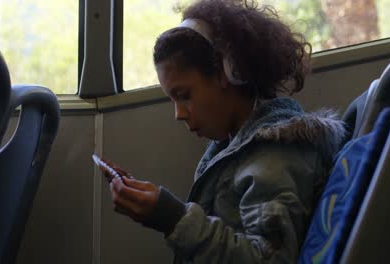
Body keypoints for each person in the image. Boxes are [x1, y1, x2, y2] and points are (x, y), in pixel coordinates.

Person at [101, 0, 347, 263]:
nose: (179, 114)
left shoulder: (275, 158)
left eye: (184, 95)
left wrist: (171, 218)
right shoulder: (234, 147)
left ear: (224, 73)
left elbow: (269, 258)